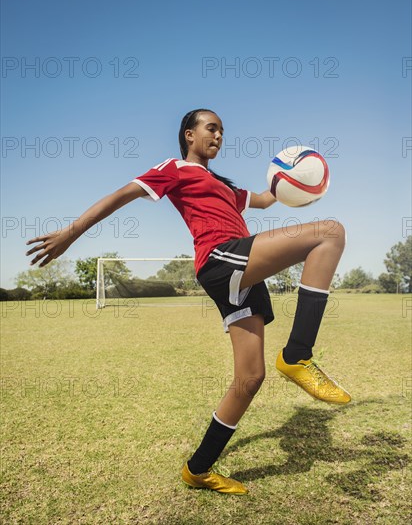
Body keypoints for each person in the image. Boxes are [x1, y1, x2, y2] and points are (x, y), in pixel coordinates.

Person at [26, 108, 351, 496]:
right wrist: (71, 232)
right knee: (331, 233)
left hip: (243, 273)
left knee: (249, 380)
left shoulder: (224, 186)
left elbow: (265, 199)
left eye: (222, 131)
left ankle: (197, 470)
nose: (218, 136)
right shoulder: (176, 169)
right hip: (221, 258)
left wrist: (299, 180)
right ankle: (298, 355)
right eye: (210, 128)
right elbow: (120, 196)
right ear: (188, 135)